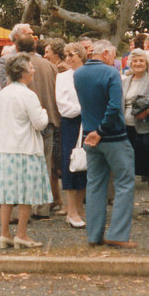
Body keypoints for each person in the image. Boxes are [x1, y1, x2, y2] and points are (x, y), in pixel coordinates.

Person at [74, 40, 137, 249]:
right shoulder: (111, 73)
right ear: (107, 53)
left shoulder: (79, 73)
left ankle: (94, 234)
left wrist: (94, 132)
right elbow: (114, 107)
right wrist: (101, 131)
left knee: (95, 185)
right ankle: (118, 234)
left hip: (89, 136)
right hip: (112, 136)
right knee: (125, 182)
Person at [0, 53, 54, 249]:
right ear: (23, 72)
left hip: (5, 149)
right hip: (26, 149)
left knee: (7, 195)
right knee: (26, 194)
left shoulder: (3, 94)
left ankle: (4, 234)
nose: (34, 70)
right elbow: (40, 123)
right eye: (31, 67)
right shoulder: (28, 95)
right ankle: (22, 234)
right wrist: (44, 112)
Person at [7, 27, 60, 219]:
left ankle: (22, 212)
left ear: (16, 46)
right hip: (48, 121)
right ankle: (43, 208)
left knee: (22, 168)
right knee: (45, 165)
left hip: (24, 123)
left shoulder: (16, 66)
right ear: (35, 45)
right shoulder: (48, 65)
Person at [122, 48, 149, 215]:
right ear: (130, 63)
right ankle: (127, 204)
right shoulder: (126, 80)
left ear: (147, 63)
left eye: (141, 61)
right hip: (127, 129)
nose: (138, 64)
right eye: (135, 61)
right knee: (129, 167)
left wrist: (148, 111)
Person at [57, 42, 87, 229]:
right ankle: (71, 210)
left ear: (81, 55)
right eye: (66, 55)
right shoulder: (62, 77)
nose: (68, 58)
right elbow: (63, 105)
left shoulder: (88, 74)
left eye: (72, 54)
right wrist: (84, 109)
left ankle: (80, 209)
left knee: (86, 163)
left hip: (89, 123)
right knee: (70, 164)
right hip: (71, 123)